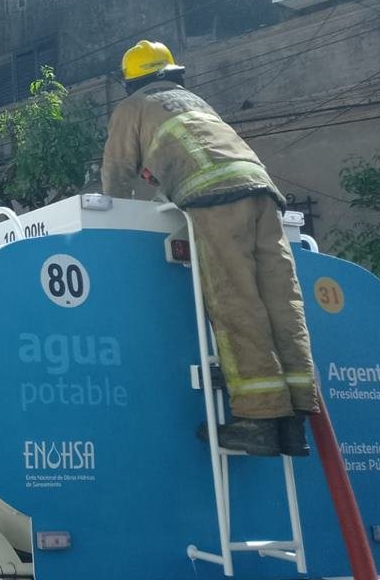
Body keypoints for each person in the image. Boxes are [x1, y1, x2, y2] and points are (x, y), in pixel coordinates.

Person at [101, 40, 319, 457]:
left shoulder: (133, 107)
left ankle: (258, 419)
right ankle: (292, 423)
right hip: (263, 192)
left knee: (236, 300)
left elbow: (116, 174)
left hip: (214, 199)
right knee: (281, 302)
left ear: (134, 81)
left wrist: (116, 222)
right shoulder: (193, 101)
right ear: (172, 73)